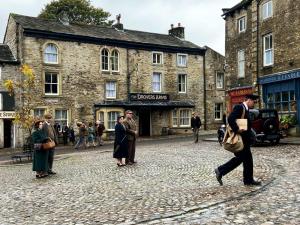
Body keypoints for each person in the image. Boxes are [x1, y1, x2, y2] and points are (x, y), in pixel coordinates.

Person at [214, 94, 262, 186]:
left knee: (245, 159)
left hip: (244, 140)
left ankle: (247, 179)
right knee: (245, 159)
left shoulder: (246, 109)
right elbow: (231, 118)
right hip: (240, 140)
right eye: (253, 101)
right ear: (248, 100)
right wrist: (237, 129)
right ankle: (221, 170)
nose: (254, 104)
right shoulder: (240, 107)